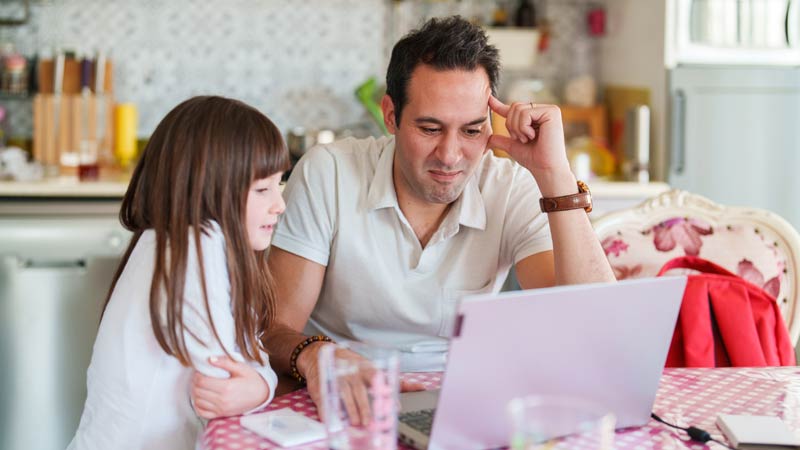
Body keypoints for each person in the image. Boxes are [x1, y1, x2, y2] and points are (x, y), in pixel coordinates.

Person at [265, 16, 616, 421]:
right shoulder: (329, 172)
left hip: (464, 402)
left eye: (471, 131)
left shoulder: (510, 186)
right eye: (430, 128)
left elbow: (595, 329)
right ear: (391, 115)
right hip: (346, 393)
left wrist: (556, 177)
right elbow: (273, 328)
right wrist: (315, 354)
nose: (450, 156)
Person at [68, 96, 290, 450]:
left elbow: (247, 361)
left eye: (279, 184)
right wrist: (262, 385)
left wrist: (260, 383)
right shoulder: (198, 245)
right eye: (262, 189)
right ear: (210, 188)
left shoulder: (166, 240)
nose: (279, 204)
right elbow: (227, 380)